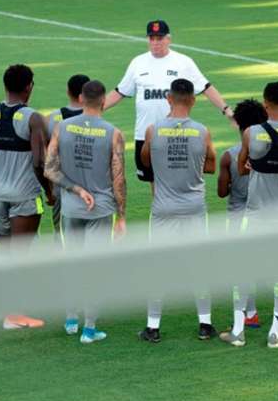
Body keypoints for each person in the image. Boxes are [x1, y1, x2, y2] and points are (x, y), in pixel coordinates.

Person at [219, 81, 278, 348]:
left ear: (265, 104)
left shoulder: (252, 134)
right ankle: (275, 331)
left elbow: (242, 169)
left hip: (257, 213)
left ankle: (238, 331)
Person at [44, 80, 127, 344]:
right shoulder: (113, 133)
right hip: (100, 209)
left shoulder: (62, 127)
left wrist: (76, 189)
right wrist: (122, 215)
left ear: (80, 99)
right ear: (103, 102)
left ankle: (70, 319)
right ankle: (89, 329)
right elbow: (118, 178)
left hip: (71, 206)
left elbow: (50, 169)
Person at [0, 64, 49, 331]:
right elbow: (39, 162)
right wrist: (49, 191)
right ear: (28, 87)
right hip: (24, 196)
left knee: (5, 253)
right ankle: (14, 315)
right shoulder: (33, 118)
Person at [138, 79, 216, 343]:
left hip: (163, 208)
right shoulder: (203, 132)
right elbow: (211, 166)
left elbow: (146, 161)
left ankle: (153, 327)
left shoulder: (153, 130)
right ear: (193, 100)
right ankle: (205, 324)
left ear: (168, 98)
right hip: (194, 207)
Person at [103, 20, 231, 183]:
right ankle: (158, 209)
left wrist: (226, 110)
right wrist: (93, 111)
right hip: (145, 134)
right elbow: (120, 91)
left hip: (175, 134)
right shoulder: (138, 62)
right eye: (152, 38)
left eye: (159, 38)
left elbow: (206, 87)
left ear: (168, 39)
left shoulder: (183, 62)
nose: (155, 42)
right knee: (153, 181)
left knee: (178, 179)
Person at [217, 98, 267, 328]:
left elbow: (220, 192)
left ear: (237, 123)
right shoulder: (270, 151)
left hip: (239, 217)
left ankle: (250, 312)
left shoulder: (229, 155)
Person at [46, 74, 90, 238]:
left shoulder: (52, 118)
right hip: (91, 185)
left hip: (61, 185)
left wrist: (48, 187)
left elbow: (46, 156)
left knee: (61, 234)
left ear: (67, 91)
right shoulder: (94, 120)